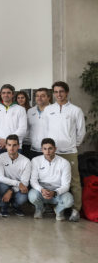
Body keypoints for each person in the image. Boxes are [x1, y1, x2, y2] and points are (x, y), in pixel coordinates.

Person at [46, 81, 85, 222]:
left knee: (74, 181)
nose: (59, 94)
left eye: (61, 91)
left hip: (69, 152)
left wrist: (72, 144)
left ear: (67, 92)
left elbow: (81, 132)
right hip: (52, 152)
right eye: (56, 92)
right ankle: (56, 207)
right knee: (53, 181)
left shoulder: (76, 110)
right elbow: (46, 130)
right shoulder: (48, 109)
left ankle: (76, 209)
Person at [29, 138, 74, 220]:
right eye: (45, 149)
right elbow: (33, 181)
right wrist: (41, 189)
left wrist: (55, 192)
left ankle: (58, 210)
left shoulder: (64, 163)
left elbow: (66, 185)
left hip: (58, 192)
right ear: (42, 149)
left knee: (69, 201)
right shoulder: (35, 161)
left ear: (55, 149)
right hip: (41, 192)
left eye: (50, 148)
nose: (47, 151)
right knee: (32, 196)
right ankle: (40, 209)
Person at [0, 135, 31, 217]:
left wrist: (11, 190)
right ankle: (4, 206)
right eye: (9, 145)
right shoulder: (0, 157)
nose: (11, 148)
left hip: (18, 188)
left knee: (22, 198)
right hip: (5, 185)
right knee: (1, 186)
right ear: (6, 146)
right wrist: (17, 183)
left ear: (18, 146)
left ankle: (15, 206)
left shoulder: (26, 161)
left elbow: (25, 182)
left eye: (14, 145)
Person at [0, 84, 27, 155]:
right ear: (0, 94)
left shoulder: (21, 109)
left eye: (8, 93)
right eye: (3, 93)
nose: (6, 95)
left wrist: (7, 141)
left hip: (15, 146)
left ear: (13, 94)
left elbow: (22, 129)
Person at [26, 88, 50, 159]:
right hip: (33, 149)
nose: (39, 98)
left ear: (48, 97)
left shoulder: (54, 110)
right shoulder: (30, 111)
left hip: (49, 150)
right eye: (37, 96)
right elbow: (27, 129)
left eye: (42, 96)